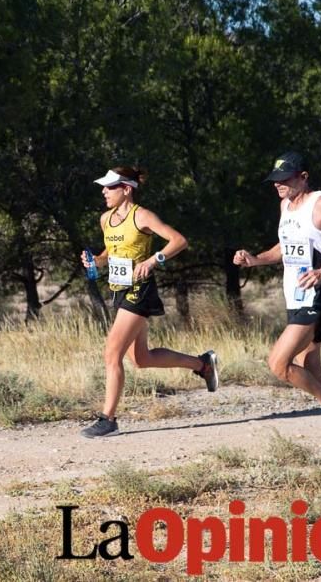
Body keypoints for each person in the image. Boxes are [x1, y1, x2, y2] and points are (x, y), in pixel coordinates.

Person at [233, 151, 321, 455]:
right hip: (295, 296)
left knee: (279, 364)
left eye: (285, 180)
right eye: (275, 180)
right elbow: (285, 248)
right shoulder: (286, 205)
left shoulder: (320, 203)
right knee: (311, 366)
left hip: (319, 298)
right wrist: (254, 260)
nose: (278, 185)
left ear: (303, 177)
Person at [79, 166, 219, 438]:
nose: (104, 191)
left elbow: (178, 241)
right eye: (104, 187)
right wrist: (96, 260)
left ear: (126, 189)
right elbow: (111, 250)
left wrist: (154, 260)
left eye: (110, 187)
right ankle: (203, 364)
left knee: (111, 354)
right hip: (119, 290)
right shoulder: (105, 219)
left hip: (139, 290)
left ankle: (108, 419)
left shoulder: (142, 216)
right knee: (141, 359)